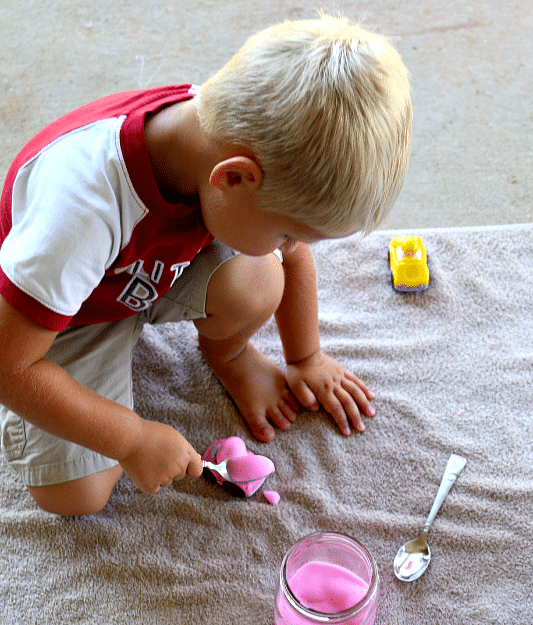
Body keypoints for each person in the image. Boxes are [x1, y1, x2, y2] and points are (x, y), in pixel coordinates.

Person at [0, 14, 412, 516]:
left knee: (260, 279)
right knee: (75, 496)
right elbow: (9, 366)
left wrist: (306, 357)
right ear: (234, 178)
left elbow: (294, 256)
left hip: (143, 271)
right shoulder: (79, 209)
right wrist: (132, 439)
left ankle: (228, 354)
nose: (294, 246)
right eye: (287, 230)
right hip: (64, 318)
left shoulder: (230, 131)